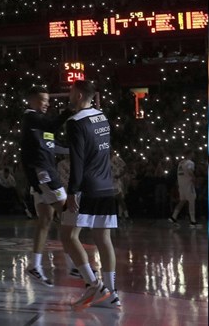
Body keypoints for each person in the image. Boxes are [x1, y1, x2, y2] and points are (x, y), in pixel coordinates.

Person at [59, 80, 120, 309]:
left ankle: (93, 284)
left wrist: (73, 191)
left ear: (79, 95)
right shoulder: (102, 117)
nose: (69, 94)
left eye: (71, 91)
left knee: (67, 235)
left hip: (87, 187)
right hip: (106, 186)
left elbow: (78, 159)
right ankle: (112, 293)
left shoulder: (75, 123)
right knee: (104, 239)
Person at [21, 86, 72, 287]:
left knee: (46, 220)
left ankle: (34, 266)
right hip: (43, 173)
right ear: (32, 100)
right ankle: (74, 263)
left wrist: (79, 149)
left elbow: (55, 144)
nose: (47, 103)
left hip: (42, 175)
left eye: (48, 100)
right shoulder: (31, 117)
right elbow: (53, 124)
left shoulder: (40, 127)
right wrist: (70, 110)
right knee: (68, 214)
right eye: (43, 99)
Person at [169, 149, 198, 227]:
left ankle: (173, 217)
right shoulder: (190, 163)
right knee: (192, 201)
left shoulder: (180, 163)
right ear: (190, 154)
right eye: (193, 153)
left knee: (182, 200)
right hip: (188, 184)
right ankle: (193, 221)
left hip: (181, 185)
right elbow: (189, 170)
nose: (194, 154)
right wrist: (194, 179)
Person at [111, 150, 130, 219]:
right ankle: (112, 215)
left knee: (120, 199)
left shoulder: (117, 159)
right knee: (109, 200)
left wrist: (119, 176)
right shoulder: (104, 159)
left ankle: (126, 215)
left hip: (116, 182)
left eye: (111, 151)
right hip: (107, 183)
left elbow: (125, 168)